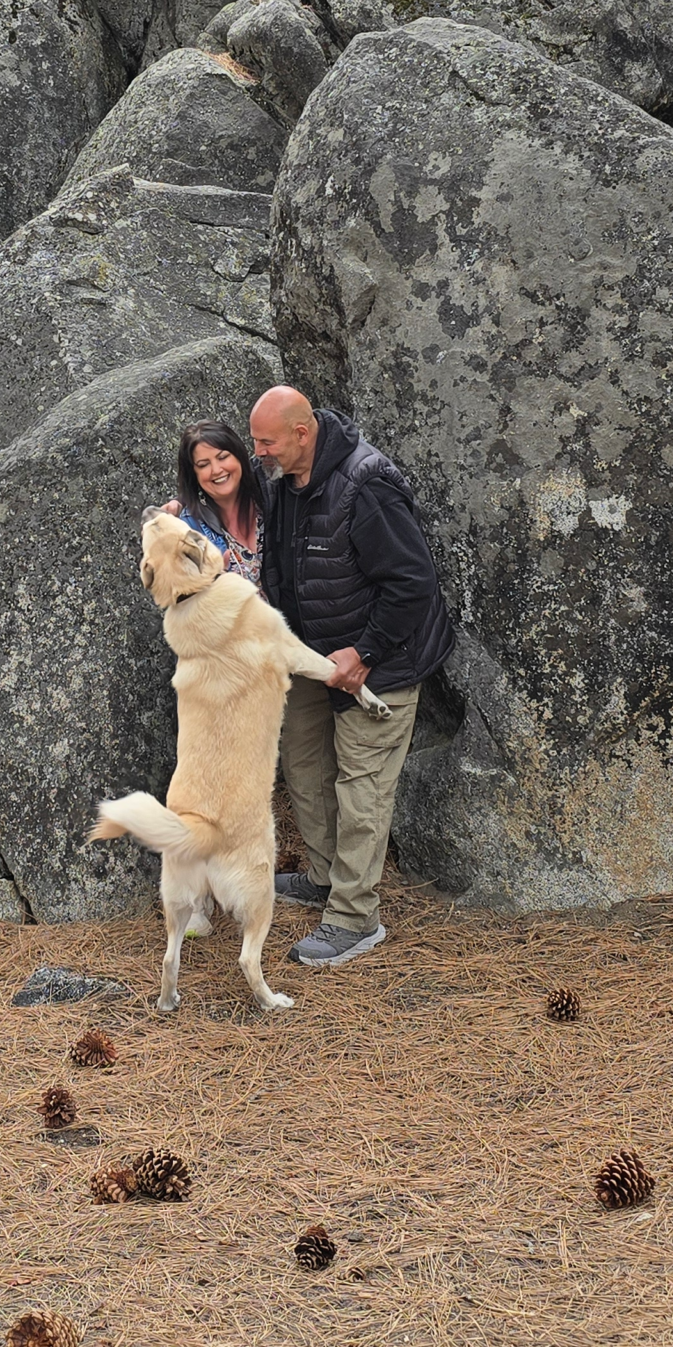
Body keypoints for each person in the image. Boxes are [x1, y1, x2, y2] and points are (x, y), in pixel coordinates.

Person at [249, 384, 453, 967]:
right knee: (303, 762)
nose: (258, 452)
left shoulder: (367, 485)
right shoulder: (285, 481)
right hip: (316, 660)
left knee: (362, 786)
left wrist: (364, 653)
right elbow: (230, 503)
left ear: (302, 433)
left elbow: (413, 584)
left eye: (266, 442)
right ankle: (323, 877)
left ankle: (355, 918)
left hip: (380, 664)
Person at [174, 420, 264, 583]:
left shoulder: (268, 492)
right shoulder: (189, 531)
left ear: (239, 455)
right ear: (193, 475)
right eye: (203, 465)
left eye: (222, 457)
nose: (216, 470)